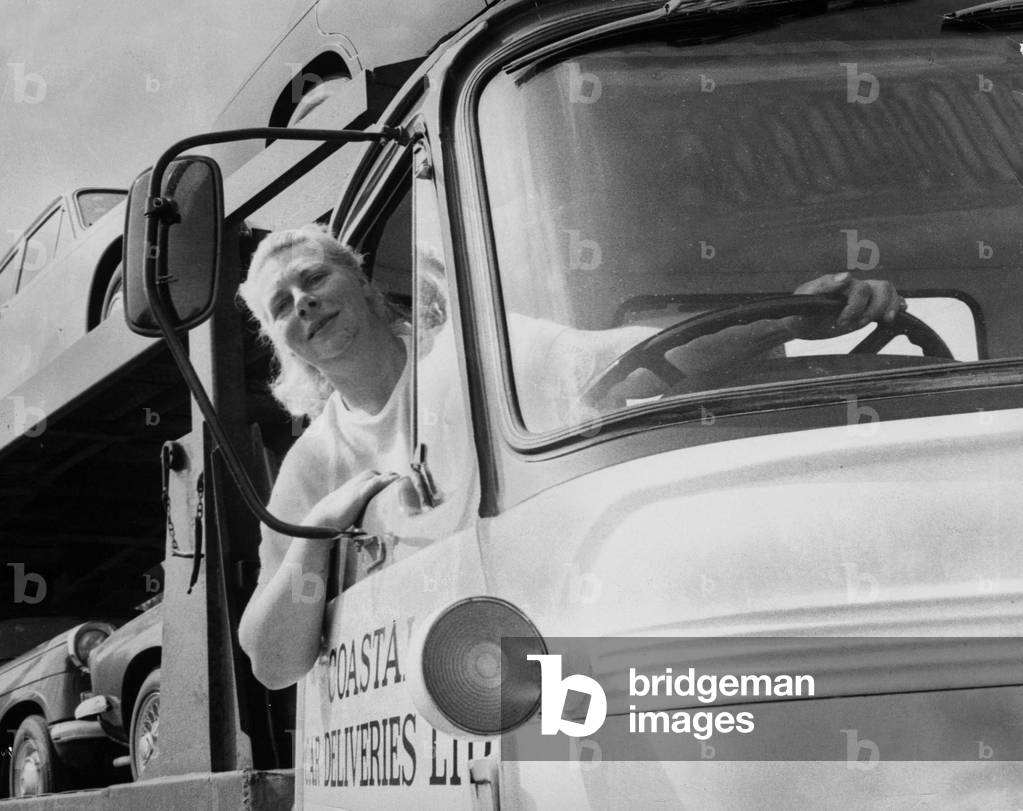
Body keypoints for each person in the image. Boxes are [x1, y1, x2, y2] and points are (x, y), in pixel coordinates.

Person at [237, 224, 905, 689]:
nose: (303, 302)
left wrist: (788, 316)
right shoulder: (313, 463)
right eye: (281, 305)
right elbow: (271, 659)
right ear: (284, 344)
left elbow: (630, 362)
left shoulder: (481, 356)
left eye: (313, 276)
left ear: (358, 279)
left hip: (546, 646)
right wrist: (320, 530)